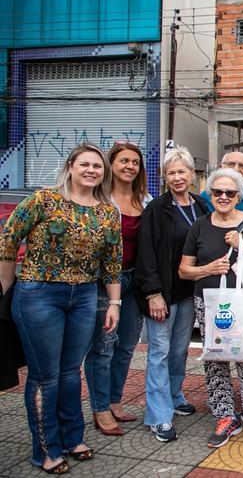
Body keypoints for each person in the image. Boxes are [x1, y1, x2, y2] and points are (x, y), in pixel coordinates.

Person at [0, 142, 122, 473]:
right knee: (45, 376)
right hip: (40, 293)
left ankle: (73, 438)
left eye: (98, 166)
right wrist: (6, 286)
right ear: (70, 166)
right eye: (85, 164)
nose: (91, 171)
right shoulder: (44, 200)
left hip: (83, 296)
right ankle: (45, 449)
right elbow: (8, 239)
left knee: (71, 373)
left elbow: (112, 260)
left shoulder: (108, 211)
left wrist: (114, 303)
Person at [179, 168, 243, 453]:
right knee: (215, 362)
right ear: (210, 195)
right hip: (209, 303)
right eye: (217, 192)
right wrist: (207, 269)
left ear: (239, 196)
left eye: (230, 192)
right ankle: (225, 417)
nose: (223, 197)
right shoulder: (199, 225)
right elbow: (184, 270)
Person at [135, 146, 207, 443]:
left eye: (182, 171)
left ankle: (175, 394)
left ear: (193, 174)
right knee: (159, 353)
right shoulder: (157, 208)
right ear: (164, 177)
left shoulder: (202, 205)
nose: (177, 177)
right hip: (163, 292)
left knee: (179, 350)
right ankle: (158, 415)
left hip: (190, 292)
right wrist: (153, 293)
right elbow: (146, 254)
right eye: (171, 173)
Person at [84, 142, 148, 437]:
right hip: (103, 281)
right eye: (124, 161)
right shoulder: (98, 199)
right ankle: (99, 408)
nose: (129, 167)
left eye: (135, 162)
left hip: (135, 280)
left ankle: (114, 400)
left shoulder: (145, 200)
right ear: (111, 164)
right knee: (103, 346)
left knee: (126, 345)